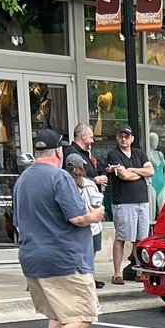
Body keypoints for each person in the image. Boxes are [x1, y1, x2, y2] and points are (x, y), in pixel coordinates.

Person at [13, 125, 103, 328]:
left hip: (33, 258)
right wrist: (96, 215)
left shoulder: (22, 180)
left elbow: (18, 223)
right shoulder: (59, 178)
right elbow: (77, 217)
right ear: (59, 153)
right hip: (64, 259)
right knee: (85, 313)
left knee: (58, 317)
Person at [98, 123, 156, 284]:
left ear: (132, 139)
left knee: (141, 238)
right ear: (117, 138)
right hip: (124, 202)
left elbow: (151, 171)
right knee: (122, 237)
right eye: (121, 136)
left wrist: (131, 170)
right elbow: (123, 176)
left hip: (142, 201)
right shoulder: (113, 154)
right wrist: (138, 172)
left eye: (126, 136)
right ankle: (117, 273)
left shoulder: (139, 153)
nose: (123, 139)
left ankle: (140, 271)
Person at [63, 122, 110, 287]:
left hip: (91, 204)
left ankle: (88, 274)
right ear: (82, 136)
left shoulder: (84, 153)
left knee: (92, 245)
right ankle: (84, 274)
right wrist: (94, 180)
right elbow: (71, 179)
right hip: (82, 208)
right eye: (90, 135)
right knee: (86, 245)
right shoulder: (71, 153)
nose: (93, 139)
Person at [69, 153, 106, 275]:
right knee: (90, 254)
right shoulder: (88, 184)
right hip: (91, 223)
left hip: (75, 224)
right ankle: (89, 276)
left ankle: (80, 273)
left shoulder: (65, 182)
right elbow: (96, 202)